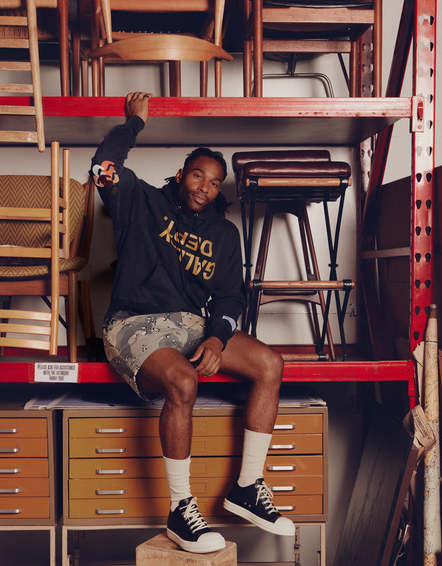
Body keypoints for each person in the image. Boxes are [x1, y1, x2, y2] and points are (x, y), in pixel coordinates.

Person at [90, 92, 294, 554]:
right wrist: (134, 123)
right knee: (183, 382)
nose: (204, 187)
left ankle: (247, 487)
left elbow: (230, 297)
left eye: (214, 182)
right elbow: (103, 166)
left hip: (191, 323)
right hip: (133, 322)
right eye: (198, 175)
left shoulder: (224, 234)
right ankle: (181, 510)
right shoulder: (140, 201)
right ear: (182, 173)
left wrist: (218, 338)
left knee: (270, 364)